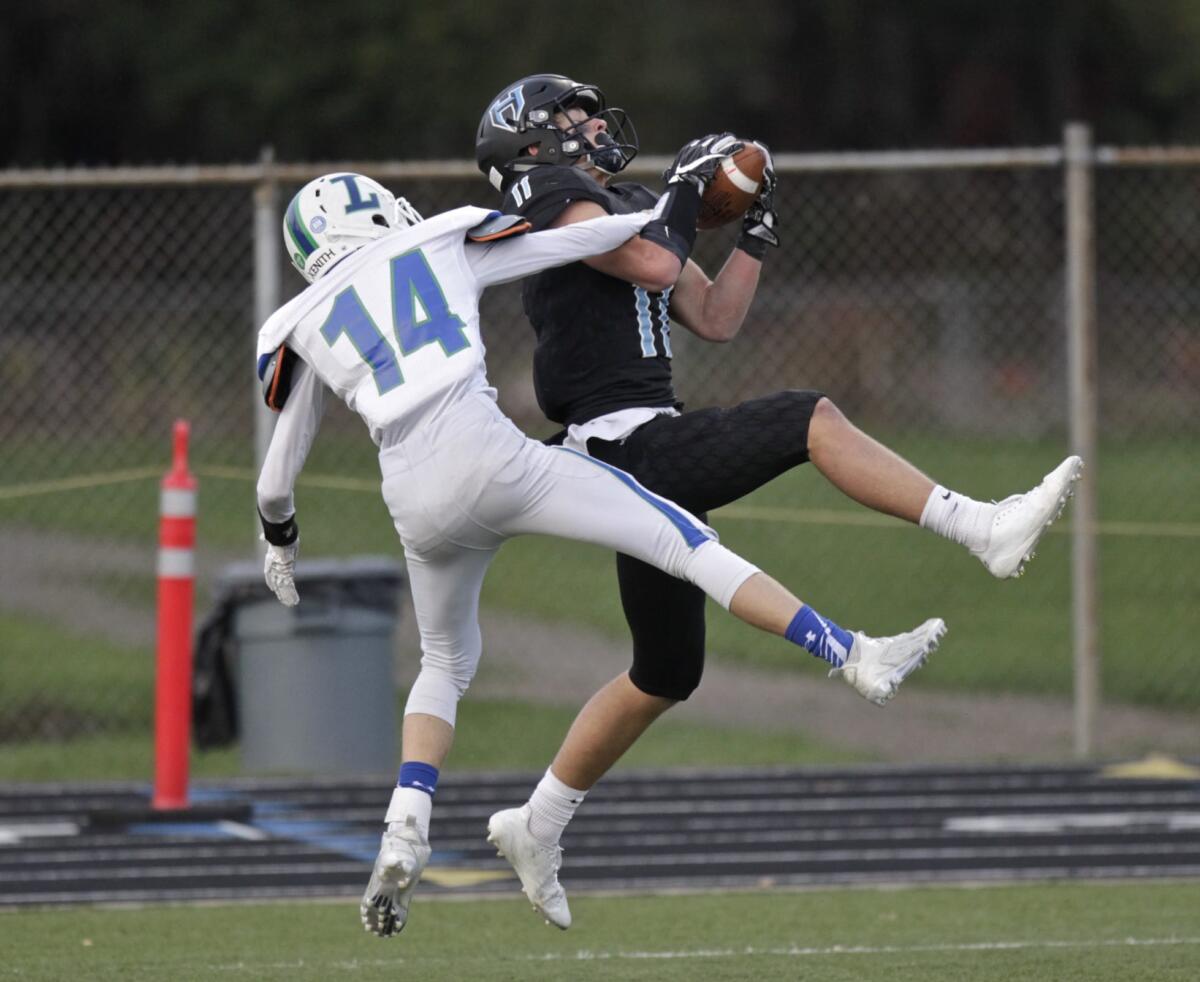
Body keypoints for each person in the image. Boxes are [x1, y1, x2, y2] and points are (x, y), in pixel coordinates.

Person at [254, 171, 948, 939]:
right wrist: (672, 206)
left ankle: (403, 827)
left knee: (443, 664)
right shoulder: (439, 235)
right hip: (490, 457)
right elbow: (577, 240)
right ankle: (852, 653)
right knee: (680, 537)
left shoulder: (300, 316)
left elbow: (277, 475)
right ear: (376, 210)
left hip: (410, 495)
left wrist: (280, 545)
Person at [474, 74, 1082, 928]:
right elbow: (649, 257)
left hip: (641, 448)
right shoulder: (549, 197)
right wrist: (687, 192)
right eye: (573, 118)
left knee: (665, 671)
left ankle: (536, 823)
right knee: (807, 418)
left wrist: (752, 230)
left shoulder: (623, 202)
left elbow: (715, 315)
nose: (593, 125)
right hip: (621, 445)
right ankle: (978, 526)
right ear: (532, 144)